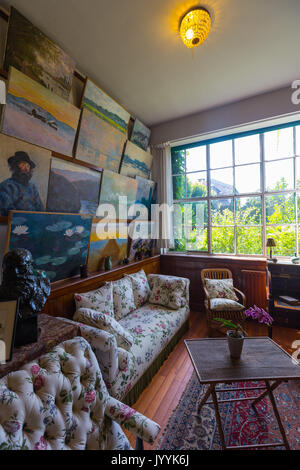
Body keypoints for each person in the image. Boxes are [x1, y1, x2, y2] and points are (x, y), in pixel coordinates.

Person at [0, 151, 44, 216]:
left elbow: (40, 209)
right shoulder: (6, 185)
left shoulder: (32, 187)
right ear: (15, 166)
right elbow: (7, 210)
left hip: (34, 222)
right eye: (23, 165)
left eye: (28, 166)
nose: (26, 169)